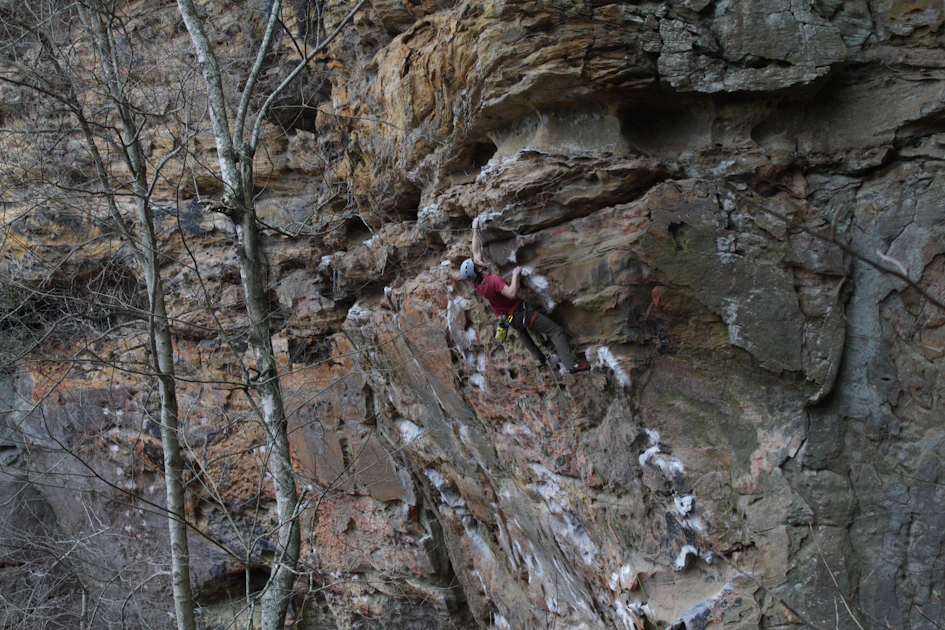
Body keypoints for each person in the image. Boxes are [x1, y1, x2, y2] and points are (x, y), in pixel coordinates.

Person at [461, 217, 590, 374]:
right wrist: (515, 275)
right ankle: (572, 365)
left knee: (522, 331)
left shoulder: (477, 283)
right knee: (556, 331)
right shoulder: (492, 280)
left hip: (509, 318)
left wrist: (475, 228)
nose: (478, 261)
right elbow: (511, 293)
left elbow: (476, 250)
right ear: (479, 270)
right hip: (521, 312)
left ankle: (540, 357)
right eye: (477, 264)